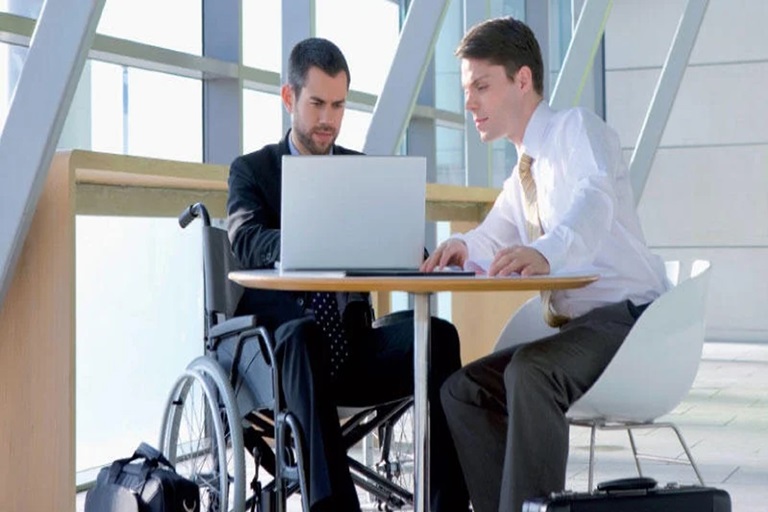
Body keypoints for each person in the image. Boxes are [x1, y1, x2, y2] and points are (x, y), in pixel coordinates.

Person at [420, 16, 670, 512]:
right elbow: (494, 234)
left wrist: (545, 252)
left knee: (530, 373)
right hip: (580, 333)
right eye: (467, 90)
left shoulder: (577, 130)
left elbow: (594, 201)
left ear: (522, 80)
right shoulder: (524, 172)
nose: (469, 103)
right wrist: (462, 247)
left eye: (481, 87)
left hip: (632, 325)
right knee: (462, 390)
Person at [226, 37, 469, 512]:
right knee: (304, 336)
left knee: (439, 338)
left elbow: (399, 246)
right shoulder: (253, 171)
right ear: (289, 98)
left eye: (338, 106)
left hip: (352, 348)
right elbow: (247, 240)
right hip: (282, 357)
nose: (328, 119)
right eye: (317, 103)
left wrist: (414, 251)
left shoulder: (361, 173)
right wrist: (313, 238)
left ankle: (447, 507)